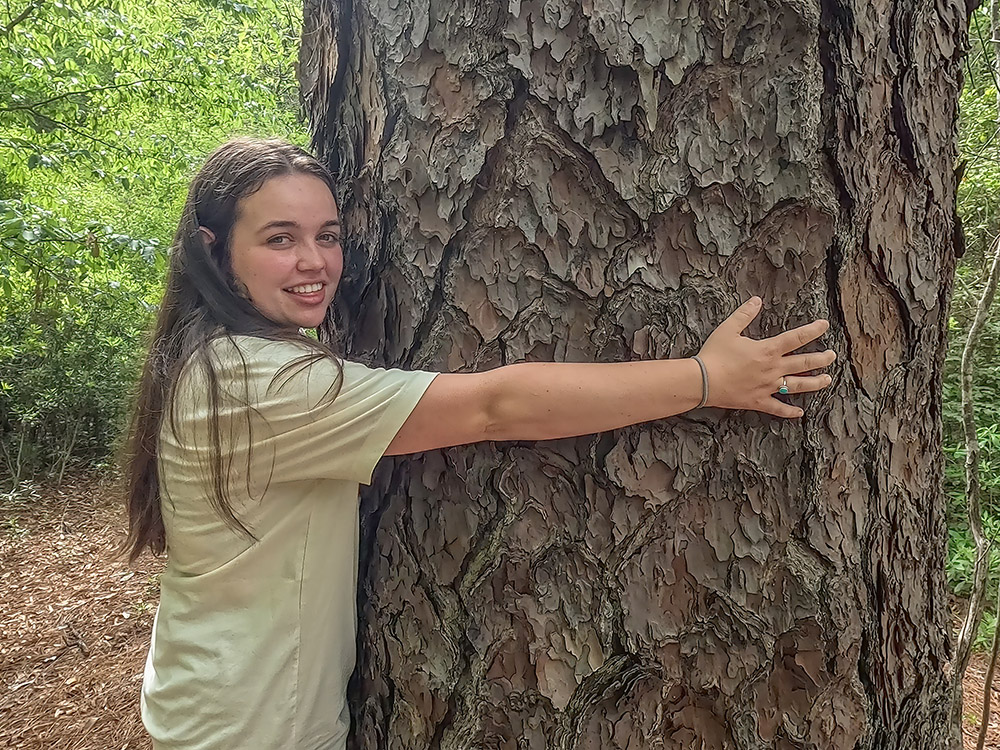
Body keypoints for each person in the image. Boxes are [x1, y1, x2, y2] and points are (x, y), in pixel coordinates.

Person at [123, 137, 835, 750]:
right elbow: (496, 406)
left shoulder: (211, 358)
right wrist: (706, 378)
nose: (315, 262)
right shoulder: (258, 383)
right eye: (280, 239)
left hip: (219, 700)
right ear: (216, 252)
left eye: (328, 235)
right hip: (248, 726)